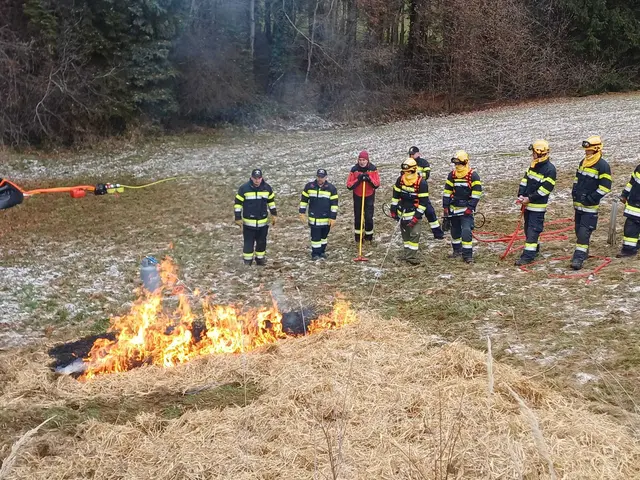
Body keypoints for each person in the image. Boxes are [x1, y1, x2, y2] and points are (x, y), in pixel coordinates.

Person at [570, 136, 612, 270]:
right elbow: (577, 180)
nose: (586, 153)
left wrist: (591, 199)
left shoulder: (603, 165)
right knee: (578, 230)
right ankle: (583, 252)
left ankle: (578, 258)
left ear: (596, 150)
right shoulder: (583, 162)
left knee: (583, 232)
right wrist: (574, 193)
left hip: (590, 208)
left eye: (588, 151)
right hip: (579, 206)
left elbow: (605, 187)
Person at [514, 140, 557, 266]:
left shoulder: (550, 170)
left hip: (537, 208)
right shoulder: (533, 166)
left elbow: (545, 189)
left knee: (533, 231)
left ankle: (527, 257)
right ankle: (534, 249)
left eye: (533, 153)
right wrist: (521, 194)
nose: (532, 155)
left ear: (539, 153)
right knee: (528, 229)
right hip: (527, 206)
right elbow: (524, 181)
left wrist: (530, 198)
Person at [442, 150, 483, 264]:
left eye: (458, 163)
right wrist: (445, 206)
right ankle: (457, 251)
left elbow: (476, 194)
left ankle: (467, 255)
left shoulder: (473, 176)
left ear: (465, 162)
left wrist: (470, 208)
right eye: (455, 164)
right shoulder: (452, 175)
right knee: (455, 232)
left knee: (466, 231)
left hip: (466, 210)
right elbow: (447, 191)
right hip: (454, 209)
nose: (457, 166)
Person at [234, 169, 277, 266]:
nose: (257, 180)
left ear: (261, 178)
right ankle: (247, 261)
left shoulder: (267, 188)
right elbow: (238, 204)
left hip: (263, 222)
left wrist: (274, 214)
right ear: (251, 178)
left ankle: (260, 259)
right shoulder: (244, 189)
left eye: (259, 178)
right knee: (248, 242)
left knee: (262, 242)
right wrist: (237, 217)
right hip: (249, 223)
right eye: (255, 178)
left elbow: (271, 202)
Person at [390, 158, 429, 265]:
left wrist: (417, 217)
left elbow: (423, 203)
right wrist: (393, 209)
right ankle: (407, 254)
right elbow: (395, 196)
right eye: (404, 172)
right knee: (406, 236)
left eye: (408, 172)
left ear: (413, 170)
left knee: (415, 234)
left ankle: (411, 257)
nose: (405, 174)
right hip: (402, 212)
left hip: (414, 213)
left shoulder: (422, 183)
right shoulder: (400, 180)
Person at [300, 169, 339, 260]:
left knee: (323, 237)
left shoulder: (331, 189)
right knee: (315, 237)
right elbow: (304, 201)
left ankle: (322, 252)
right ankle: (315, 254)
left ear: (326, 177)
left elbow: (334, 204)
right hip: (314, 218)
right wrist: (302, 212)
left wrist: (333, 217)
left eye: (322, 177)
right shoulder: (309, 187)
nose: (320, 179)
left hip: (326, 218)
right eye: (318, 177)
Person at [408, 146, 444, 239]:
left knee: (430, 212)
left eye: (413, 154)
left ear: (418, 153)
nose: (412, 156)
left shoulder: (424, 163)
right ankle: (410, 233)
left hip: (422, 191)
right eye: (410, 155)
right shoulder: (407, 163)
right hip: (411, 192)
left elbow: (427, 175)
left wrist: (416, 175)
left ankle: (438, 234)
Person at [346, 150, 380, 244]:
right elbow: (349, 185)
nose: (362, 162)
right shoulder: (354, 170)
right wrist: (358, 179)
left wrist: (369, 179)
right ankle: (358, 236)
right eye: (360, 160)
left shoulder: (372, 169)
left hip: (369, 195)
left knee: (369, 217)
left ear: (367, 160)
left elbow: (377, 184)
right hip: (358, 195)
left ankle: (369, 236)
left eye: (363, 160)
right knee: (358, 216)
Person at [617, 163, 640, 258]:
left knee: (631, 227)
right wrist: (624, 194)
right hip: (634, 204)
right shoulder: (639, 168)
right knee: (631, 226)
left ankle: (629, 250)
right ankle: (631, 248)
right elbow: (632, 182)